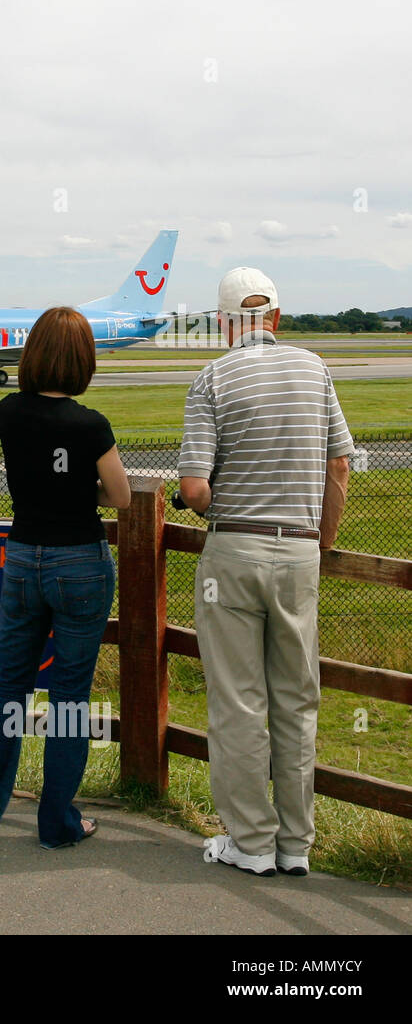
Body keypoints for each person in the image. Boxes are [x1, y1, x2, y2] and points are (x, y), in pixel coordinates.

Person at [177, 267, 352, 878]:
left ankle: (251, 840)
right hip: (300, 552)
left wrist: (207, 499)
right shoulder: (316, 368)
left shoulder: (213, 377)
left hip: (235, 552)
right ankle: (296, 844)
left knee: (238, 701)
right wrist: (320, 542)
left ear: (226, 323)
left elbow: (195, 489)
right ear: (275, 317)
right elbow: (340, 464)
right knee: (297, 700)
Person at [0, 306, 130, 849]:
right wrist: (82, 489)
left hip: (23, 558)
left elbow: (37, 473)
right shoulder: (91, 424)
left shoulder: (8, 411)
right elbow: (119, 497)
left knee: (11, 687)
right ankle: (57, 823)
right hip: (79, 561)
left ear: (31, 355)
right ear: (84, 361)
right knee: (70, 697)